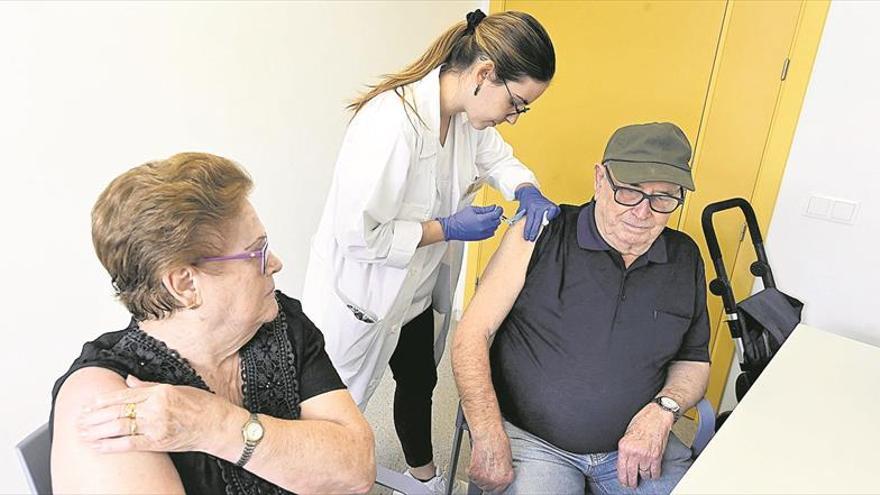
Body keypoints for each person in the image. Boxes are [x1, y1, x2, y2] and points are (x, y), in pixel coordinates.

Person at [301, 8, 559, 491]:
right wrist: (446, 228)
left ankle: (423, 477)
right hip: (365, 297)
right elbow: (358, 236)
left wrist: (525, 188)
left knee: (419, 383)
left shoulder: (463, 119)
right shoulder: (390, 125)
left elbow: (500, 159)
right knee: (334, 413)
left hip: (416, 294)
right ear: (485, 74)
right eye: (517, 103)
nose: (513, 117)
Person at [50, 153, 375, 494]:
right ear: (186, 285)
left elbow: (356, 468)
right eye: (257, 253)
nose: (276, 264)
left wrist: (217, 425)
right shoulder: (107, 401)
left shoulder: (279, 323)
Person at [452, 122, 712, 494]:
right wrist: (487, 432)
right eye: (629, 192)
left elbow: (693, 360)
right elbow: (471, 334)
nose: (643, 213)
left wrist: (663, 410)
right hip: (535, 443)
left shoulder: (684, 257)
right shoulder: (540, 233)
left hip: (634, 446)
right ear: (599, 179)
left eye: (663, 198)